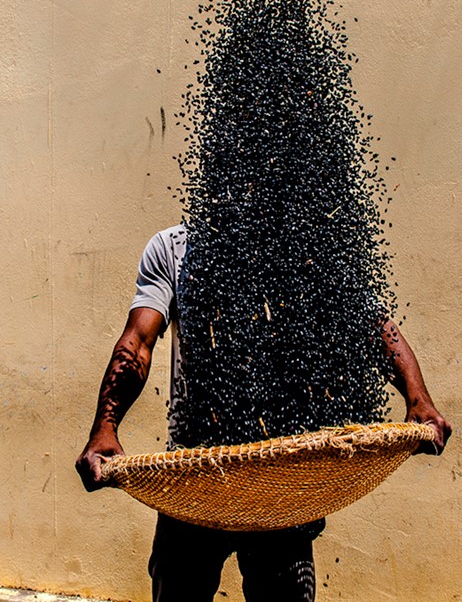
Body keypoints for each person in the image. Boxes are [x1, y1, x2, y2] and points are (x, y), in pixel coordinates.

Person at [76, 224, 452, 602]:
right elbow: (139, 341)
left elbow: (370, 326)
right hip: (193, 476)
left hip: (281, 477)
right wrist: (105, 426)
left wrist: (419, 400)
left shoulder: (309, 247)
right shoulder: (173, 247)